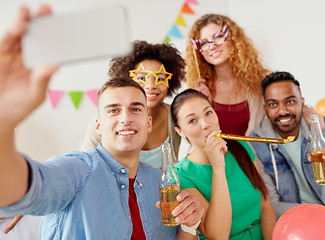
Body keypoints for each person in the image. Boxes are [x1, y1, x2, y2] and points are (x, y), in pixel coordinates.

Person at [0, 5, 204, 239]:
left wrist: (190, 225)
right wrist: (3, 122)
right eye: (113, 110)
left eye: (135, 109)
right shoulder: (78, 171)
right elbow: (26, 189)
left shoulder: (159, 184)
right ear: (98, 125)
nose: (126, 117)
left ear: (148, 123)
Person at [250, 71, 325, 219]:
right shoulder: (256, 143)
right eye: (273, 104)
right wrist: (319, 214)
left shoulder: (323, 126)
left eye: (290, 102)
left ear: (302, 103)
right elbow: (271, 205)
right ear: (265, 109)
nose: (282, 111)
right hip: (293, 221)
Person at [170, 89, 276, 239]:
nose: (205, 124)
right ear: (180, 131)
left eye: (208, 113)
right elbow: (218, 235)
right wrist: (218, 168)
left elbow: (265, 206)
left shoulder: (241, 146)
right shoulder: (180, 175)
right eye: (192, 120)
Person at [81, 40, 184, 167]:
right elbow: (85, 164)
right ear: (127, 80)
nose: (151, 85)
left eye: (160, 79)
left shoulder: (177, 117)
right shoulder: (105, 122)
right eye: (141, 78)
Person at [186, 13, 269, 136]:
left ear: (234, 39)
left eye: (219, 36)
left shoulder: (260, 81)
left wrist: (306, 111)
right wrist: (201, 104)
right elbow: (191, 137)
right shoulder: (195, 89)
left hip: (253, 155)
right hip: (214, 155)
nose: (212, 46)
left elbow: (287, 104)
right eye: (203, 43)